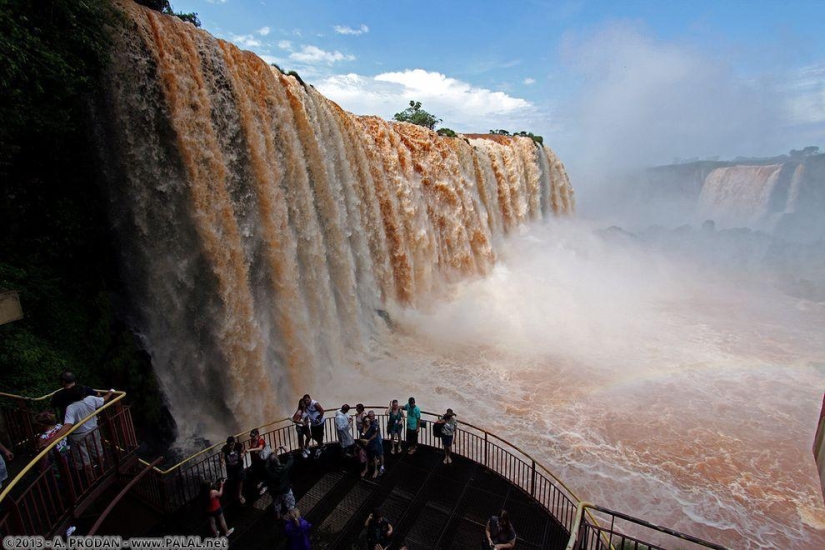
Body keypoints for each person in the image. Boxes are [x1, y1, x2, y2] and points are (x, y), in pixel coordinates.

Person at [44, 385, 113, 479]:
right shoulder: (90, 399)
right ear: (83, 394)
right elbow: (104, 399)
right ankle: (102, 471)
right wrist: (110, 392)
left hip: (78, 436)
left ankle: (92, 479)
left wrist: (50, 441)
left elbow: (67, 426)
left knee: (84, 459)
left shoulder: (71, 408)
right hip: (93, 430)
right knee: (97, 451)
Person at [265, 446, 295, 520]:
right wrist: (288, 452)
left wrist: (273, 454)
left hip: (275, 491)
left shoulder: (268, 470)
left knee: (277, 504)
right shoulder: (283, 469)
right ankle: (294, 519)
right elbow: (290, 461)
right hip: (285, 490)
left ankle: (278, 517)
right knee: (290, 506)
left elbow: (268, 464)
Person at [220, 436, 246, 505]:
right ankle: (234, 495)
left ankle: (239, 495)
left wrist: (243, 454)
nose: (230, 447)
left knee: (240, 480)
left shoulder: (239, 445)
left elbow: (243, 450)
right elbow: (222, 457)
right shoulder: (225, 448)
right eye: (229, 445)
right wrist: (222, 462)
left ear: (234, 443)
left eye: (232, 445)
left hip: (239, 467)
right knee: (232, 481)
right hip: (230, 469)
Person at [247, 428, 268, 495]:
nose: (252, 437)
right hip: (255, 460)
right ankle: (261, 482)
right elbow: (252, 447)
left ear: (257, 435)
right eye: (251, 436)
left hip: (262, 460)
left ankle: (265, 486)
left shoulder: (260, 440)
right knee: (258, 472)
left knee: (264, 472)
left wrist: (250, 450)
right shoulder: (252, 440)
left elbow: (260, 448)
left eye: (253, 436)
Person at [366, 410, 384, 477]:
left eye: (373, 416)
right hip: (373, 442)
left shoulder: (375, 424)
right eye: (371, 416)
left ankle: (382, 467)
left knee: (380, 454)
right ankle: (377, 463)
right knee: (375, 455)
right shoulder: (369, 423)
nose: (372, 417)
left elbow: (375, 434)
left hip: (377, 441)